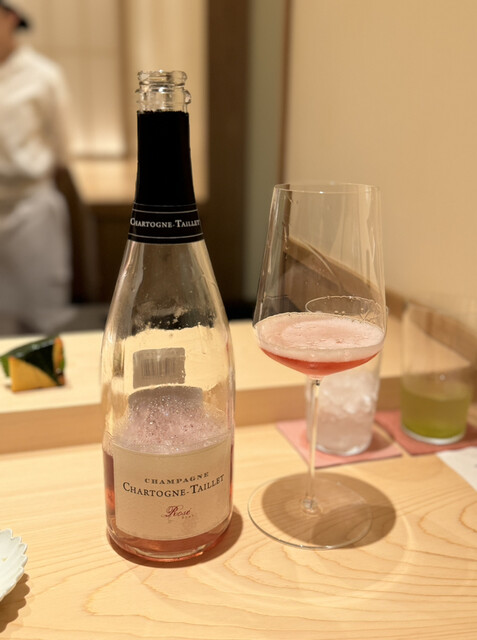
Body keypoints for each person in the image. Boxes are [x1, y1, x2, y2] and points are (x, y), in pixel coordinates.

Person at [0, 0, 73, 334]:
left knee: (41, 315)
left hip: (30, 209)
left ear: (10, 18)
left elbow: (62, 147)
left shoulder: (43, 75)